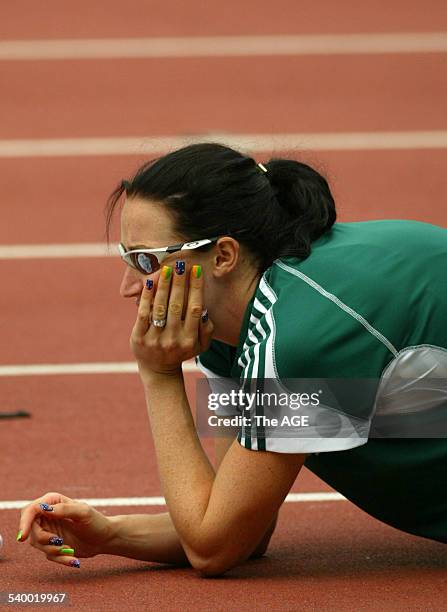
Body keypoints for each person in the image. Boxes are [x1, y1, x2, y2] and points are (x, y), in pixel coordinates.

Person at [17, 143, 447, 575]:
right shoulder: (235, 326)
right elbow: (239, 525)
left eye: (146, 260)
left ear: (222, 256)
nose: (129, 287)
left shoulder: (297, 336)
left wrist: (160, 373)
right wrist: (109, 534)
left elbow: (214, 547)